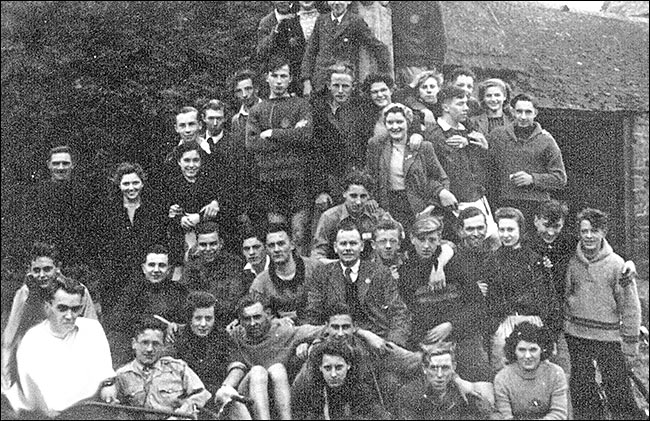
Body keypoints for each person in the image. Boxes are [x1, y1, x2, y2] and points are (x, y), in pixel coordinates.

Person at [398, 216, 493, 396]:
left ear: (440, 238)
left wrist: (451, 325)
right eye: (421, 239)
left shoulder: (456, 264)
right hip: (428, 341)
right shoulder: (406, 271)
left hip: (462, 337)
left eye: (432, 240)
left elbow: (478, 306)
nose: (426, 246)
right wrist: (426, 340)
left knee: (483, 391)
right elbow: (407, 313)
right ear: (412, 239)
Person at [564, 208, 644, 420]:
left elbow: (630, 307)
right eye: (584, 231)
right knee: (583, 389)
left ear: (604, 232)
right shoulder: (571, 261)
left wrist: (629, 345)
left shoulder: (617, 265)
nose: (589, 236)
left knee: (618, 389)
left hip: (608, 338)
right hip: (577, 335)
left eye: (594, 231)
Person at [9, 275, 116, 417]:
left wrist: (108, 389)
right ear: (48, 307)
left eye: (75, 309)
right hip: (50, 414)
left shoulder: (93, 329)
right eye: (62, 308)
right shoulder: (32, 339)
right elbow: (33, 394)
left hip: (91, 410)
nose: (69, 316)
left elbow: (106, 376)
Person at [2, 242, 97, 391]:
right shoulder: (24, 294)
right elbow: (9, 338)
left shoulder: (77, 292)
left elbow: (92, 334)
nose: (42, 275)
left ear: (57, 268)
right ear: (29, 271)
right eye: (36, 270)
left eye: (47, 269)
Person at [214, 294, 324, 420]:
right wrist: (226, 387)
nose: (252, 323)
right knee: (258, 371)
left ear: (268, 314)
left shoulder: (284, 330)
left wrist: (312, 343)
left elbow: (326, 331)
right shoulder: (236, 335)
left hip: (278, 396)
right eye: (246, 319)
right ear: (240, 319)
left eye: (257, 317)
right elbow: (236, 366)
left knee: (277, 369)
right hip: (247, 398)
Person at [305, 220, 411, 347]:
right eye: (343, 244)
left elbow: (398, 312)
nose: (348, 248)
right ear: (335, 247)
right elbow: (312, 312)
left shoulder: (380, 273)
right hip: (334, 341)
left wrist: (393, 343)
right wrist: (307, 341)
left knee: (413, 362)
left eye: (353, 243)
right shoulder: (323, 274)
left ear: (361, 246)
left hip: (376, 342)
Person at [487, 207, 561, 372]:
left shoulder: (535, 261)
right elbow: (490, 299)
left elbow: (548, 296)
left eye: (511, 229)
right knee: (503, 369)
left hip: (533, 319)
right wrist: (497, 325)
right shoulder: (492, 261)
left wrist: (549, 328)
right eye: (502, 229)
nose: (506, 235)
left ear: (520, 230)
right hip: (506, 321)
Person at [366, 102, 455, 234]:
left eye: (399, 122)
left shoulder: (423, 147)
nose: (395, 127)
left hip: (417, 206)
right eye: (390, 122)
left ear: (407, 123)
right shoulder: (377, 145)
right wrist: (370, 198)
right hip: (388, 204)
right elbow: (370, 176)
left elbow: (441, 178)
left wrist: (433, 205)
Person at [246, 55, 313, 221]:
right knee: (276, 232)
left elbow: (305, 136)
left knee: (299, 234)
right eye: (274, 76)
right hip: (269, 179)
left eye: (283, 76)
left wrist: (271, 133)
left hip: (296, 178)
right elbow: (252, 143)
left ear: (290, 79)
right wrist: (291, 137)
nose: (278, 81)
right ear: (267, 77)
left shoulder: (301, 105)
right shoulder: (257, 110)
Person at [94, 162, 167, 313]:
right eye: (126, 183)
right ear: (119, 185)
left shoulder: (153, 211)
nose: (131, 188)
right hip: (115, 279)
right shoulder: (108, 211)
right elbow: (101, 247)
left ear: (142, 184)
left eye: (135, 182)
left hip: (146, 279)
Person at [427, 84, 496, 242]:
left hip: (478, 198)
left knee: (493, 241)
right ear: (445, 107)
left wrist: (481, 148)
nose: (466, 108)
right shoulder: (435, 135)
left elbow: (485, 166)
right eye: (460, 104)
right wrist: (441, 191)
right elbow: (427, 172)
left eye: (466, 103)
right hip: (454, 204)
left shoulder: (470, 130)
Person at [488, 93, 567, 224]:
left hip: (536, 205)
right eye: (519, 111)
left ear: (535, 113)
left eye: (528, 112)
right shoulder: (498, 136)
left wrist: (532, 179)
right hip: (506, 203)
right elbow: (487, 167)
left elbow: (560, 179)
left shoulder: (546, 140)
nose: (523, 117)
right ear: (512, 112)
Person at [107, 245, 188, 367]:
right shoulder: (133, 290)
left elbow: (188, 320)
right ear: (144, 268)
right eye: (151, 265)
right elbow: (118, 320)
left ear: (169, 269)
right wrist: (155, 322)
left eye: (161, 265)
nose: (156, 270)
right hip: (136, 347)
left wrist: (177, 326)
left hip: (167, 348)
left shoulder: (179, 291)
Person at [115, 317, 211, 418]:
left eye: (156, 344)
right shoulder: (122, 375)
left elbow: (201, 395)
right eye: (145, 343)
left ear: (163, 346)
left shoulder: (177, 368)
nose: (149, 349)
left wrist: (179, 415)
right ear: (134, 344)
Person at [301, 0, 391, 96]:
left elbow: (378, 47)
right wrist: (306, 82)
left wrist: (383, 77)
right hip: (321, 81)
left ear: (348, 2)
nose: (337, 3)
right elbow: (310, 52)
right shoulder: (321, 20)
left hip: (344, 79)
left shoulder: (355, 21)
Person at [25, 145, 92, 267]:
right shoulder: (35, 193)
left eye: (65, 163)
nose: (61, 168)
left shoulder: (85, 194)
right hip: (44, 260)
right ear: (49, 165)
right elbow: (29, 229)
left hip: (77, 261)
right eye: (56, 163)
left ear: (73, 164)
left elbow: (90, 231)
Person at [292, 340, 391, 419]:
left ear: (348, 365)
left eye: (339, 367)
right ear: (320, 367)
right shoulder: (311, 390)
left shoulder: (360, 390)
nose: (333, 374)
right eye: (327, 368)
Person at [397, 342, 497, 420]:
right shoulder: (409, 394)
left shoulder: (466, 397)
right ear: (424, 368)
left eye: (445, 368)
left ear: (454, 367)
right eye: (433, 368)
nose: (439, 375)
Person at [165, 142, 224, 269]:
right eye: (186, 160)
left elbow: (224, 209)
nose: (191, 165)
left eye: (195, 160)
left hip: (208, 242)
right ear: (179, 162)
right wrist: (179, 219)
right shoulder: (170, 184)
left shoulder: (211, 182)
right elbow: (163, 213)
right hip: (180, 243)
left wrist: (201, 216)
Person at [311, 168, 390, 262]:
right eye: (353, 196)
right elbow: (317, 255)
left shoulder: (376, 215)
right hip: (337, 268)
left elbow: (395, 237)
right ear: (344, 193)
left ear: (369, 196)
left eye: (363, 196)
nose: (358, 202)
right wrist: (340, 266)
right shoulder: (329, 217)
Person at [494, 321, 568, 420]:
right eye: (522, 350)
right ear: (514, 351)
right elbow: (504, 416)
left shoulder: (555, 373)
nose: (527, 356)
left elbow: (559, 413)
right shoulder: (502, 378)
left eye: (533, 350)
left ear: (542, 350)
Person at [181, 221, 248, 329]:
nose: (208, 249)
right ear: (197, 245)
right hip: (199, 323)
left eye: (213, 244)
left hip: (227, 323)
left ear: (220, 243)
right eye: (203, 245)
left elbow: (234, 302)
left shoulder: (233, 264)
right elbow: (186, 299)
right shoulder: (191, 268)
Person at [250, 223, 322, 322]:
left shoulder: (316, 268)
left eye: (281, 244)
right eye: (271, 245)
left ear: (292, 244)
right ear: (266, 249)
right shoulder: (261, 284)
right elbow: (261, 319)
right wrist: (276, 322)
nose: (276, 250)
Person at [391, 1, 446, 88]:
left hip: (418, 63)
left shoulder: (429, 4)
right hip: (393, 62)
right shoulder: (393, 4)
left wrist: (435, 67)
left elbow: (438, 37)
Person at [257, 1, 305, 96]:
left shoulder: (298, 18)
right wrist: (275, 31)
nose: (282, 2)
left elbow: (304, 49)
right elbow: (261, 52)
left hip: (296, 77)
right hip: (275, 77)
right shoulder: (266, 22)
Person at [241, 227, 270, 291]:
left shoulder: (276, 267)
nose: (251, 253)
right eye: (247, 249)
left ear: (266, 248)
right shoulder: (241, 274)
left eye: (256, 247)